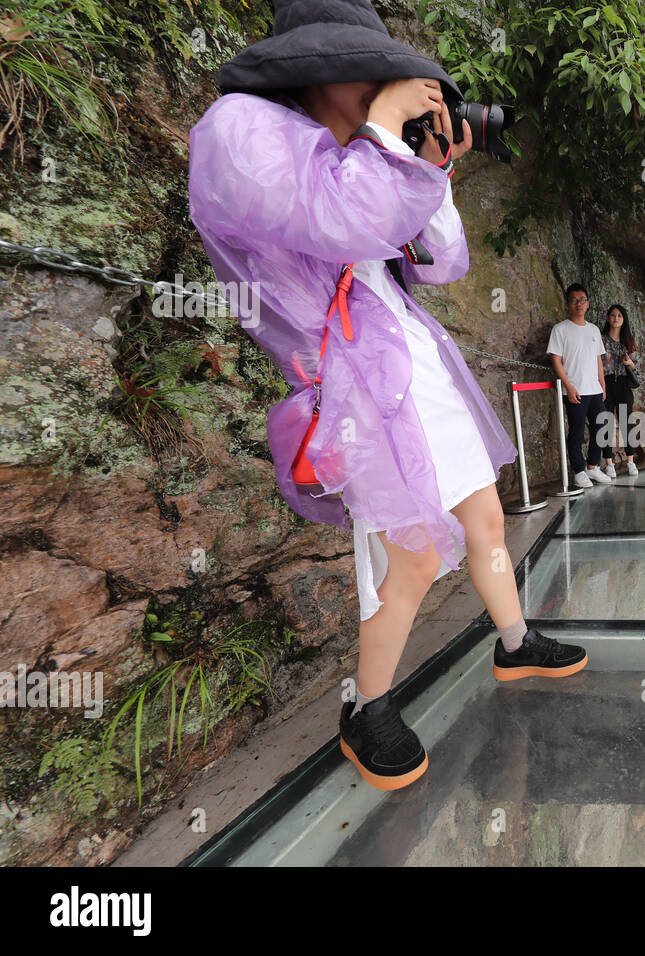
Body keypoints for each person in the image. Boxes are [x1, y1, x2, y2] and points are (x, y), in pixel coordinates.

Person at [188, 0, 587, 792]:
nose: (389, 86)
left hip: (417, 365)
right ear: (318, 65)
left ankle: (513, 643)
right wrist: (382, 133)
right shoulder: (238, 129)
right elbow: (335, 218)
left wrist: (431, 163)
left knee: (485, 517)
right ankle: (367, 708)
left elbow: (444, 263)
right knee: (406, 555)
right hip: (354, 387)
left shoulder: (357, 154)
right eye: (374, 71)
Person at [548, 283, 611, 488]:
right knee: (576, 432)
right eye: (574, 300)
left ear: (588, 303)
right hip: (575, 390)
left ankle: (593, 467)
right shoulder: (560, 329)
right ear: (568, 304)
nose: (579, 304)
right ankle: (579, 470)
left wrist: (602, 383)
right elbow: (556, 360)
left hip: (594, 389)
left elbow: (598, 359)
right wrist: (568, 386)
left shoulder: (593, 330)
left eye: (582, 300)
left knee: (600, 428)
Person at [599, 303, 641, 478]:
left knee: (627, 423)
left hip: (623, 384)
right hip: (605, 382)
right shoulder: (601, 340)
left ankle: (630, 460)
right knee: (605, 423)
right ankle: (609, 463)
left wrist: (630, 364)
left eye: (619, 316)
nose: (616, 318)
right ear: (608, 318)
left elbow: (636, 366)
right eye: (613, 315)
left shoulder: (628, 341)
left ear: (624, 320)